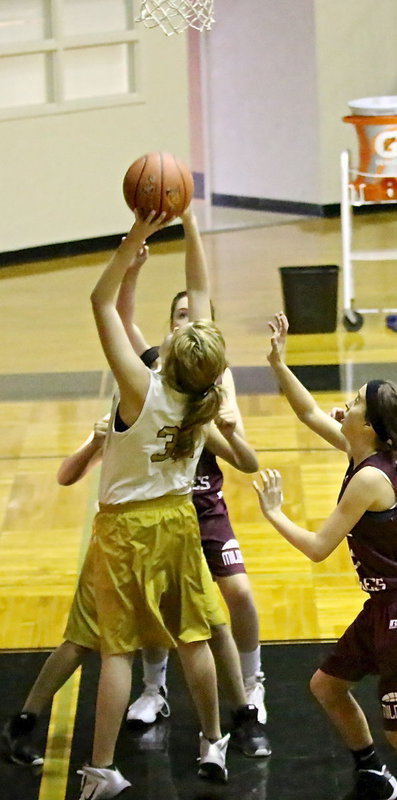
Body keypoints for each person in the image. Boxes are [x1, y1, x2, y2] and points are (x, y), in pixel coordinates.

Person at [2, 209, 269, 798]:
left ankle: (99, 767)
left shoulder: (141, 388)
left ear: (171, 354)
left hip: (126, 529)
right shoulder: (202, 403)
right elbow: (196, 306)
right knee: (195, 635)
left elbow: (102, 306)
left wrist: (134, 242)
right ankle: (215, 738)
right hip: (177, 520)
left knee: (114, 648)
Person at [111, 218, 267, 729]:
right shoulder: (152, 368)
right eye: (176, 316)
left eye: (191, 317)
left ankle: (252, 684)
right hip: (158, 506)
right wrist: (131, 268)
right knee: (157, 608)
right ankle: (154, 689)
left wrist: (192, 221)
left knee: (236, 594)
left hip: (204, 502)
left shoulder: (212, 377)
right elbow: (120, 314)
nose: (183, 322)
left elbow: (200, 288)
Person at [254, 311, 397, 800]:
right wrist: (278, 363)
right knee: (327, 686)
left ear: (370, 426)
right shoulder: (365, 457)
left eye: (356, 402)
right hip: (380, 607)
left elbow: (318, 548)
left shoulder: (371, 479)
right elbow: (309, 413)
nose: (345, 404)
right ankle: (373, 774)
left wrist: (274, 513)